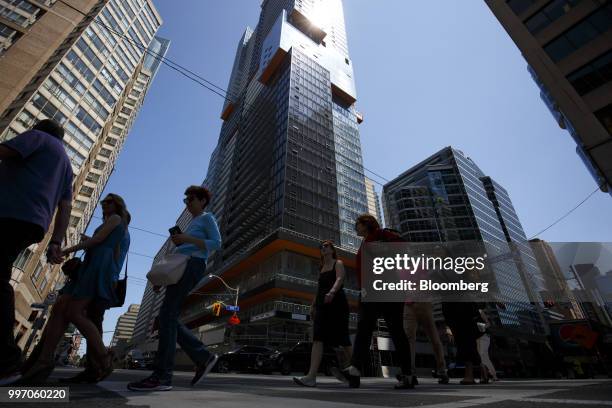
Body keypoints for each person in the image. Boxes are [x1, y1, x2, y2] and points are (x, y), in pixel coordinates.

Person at [20, 194, 130, 383]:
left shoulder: (116, 218)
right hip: (90, 265)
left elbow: (103, 244)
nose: (105, 206)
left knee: (74, 311)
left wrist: (67, 250)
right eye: (103, 203)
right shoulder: (112, 223)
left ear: (118, 204)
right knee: (61, 307)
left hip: (97, 267)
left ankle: (104, 357)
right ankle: (44, 360)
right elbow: (108, 246)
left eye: (109, 202)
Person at [0, 120, 73, 385]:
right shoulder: (66, 163)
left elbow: (5, 152)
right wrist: (56, 242)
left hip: (9, 213)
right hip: (34, 223)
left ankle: (6, 363)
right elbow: (65, 207)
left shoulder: (37, 138)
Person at [128, 185, 222, 392]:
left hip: (193, 264)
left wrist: (187, 239)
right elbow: (180, 255)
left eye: (190, 200)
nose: (187, 203)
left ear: (202, 201)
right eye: (185, 201)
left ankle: (162, 376)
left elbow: (216, 243)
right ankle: (202, 357)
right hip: (183, 266)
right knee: (166, 318)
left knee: (167, 317)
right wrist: (161, 278)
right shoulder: (193, 223)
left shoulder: (207, 218)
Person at [343, 214, 415, 389]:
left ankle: (407, 374)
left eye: (357, 225)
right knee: (364, 330)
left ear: (366, 224)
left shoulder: (383, 234)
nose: (355, 228)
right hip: (369, 292)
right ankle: (355, 369)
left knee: (396, 331)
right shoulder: (364, 243)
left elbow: (404, 247)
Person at [294, 240, 352, 387]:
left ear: (332, 250)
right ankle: (311, 376)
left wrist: (332, 292)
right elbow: (319, 289)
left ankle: (355, 370)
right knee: (317, 338)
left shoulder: (337, 263)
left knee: (343, 339)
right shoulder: (321, 267)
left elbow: (340, 278)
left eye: (326, 246)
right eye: (321, 247)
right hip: (322, 305)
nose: (323, 248)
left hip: (337, 304)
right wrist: (313, 305)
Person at [403, 302, 449, 385]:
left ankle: (442, 371)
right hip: (408, 304)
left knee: (433, 337)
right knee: (409, 339)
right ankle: (410, 373)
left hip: (424, 302)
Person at [441, 302, 483, 385]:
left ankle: (470, 375)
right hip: (455, 311)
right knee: (464, 342)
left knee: (466, 341)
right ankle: (482, 371)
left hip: (461, 310)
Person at [476, 306, 497, 383]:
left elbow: (488, 323)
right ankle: (493, 375)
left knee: (482, 354)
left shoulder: (479, 311)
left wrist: (482, 326)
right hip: (476, 337)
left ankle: (487, 376)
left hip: (484, 336)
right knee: (484, 356)